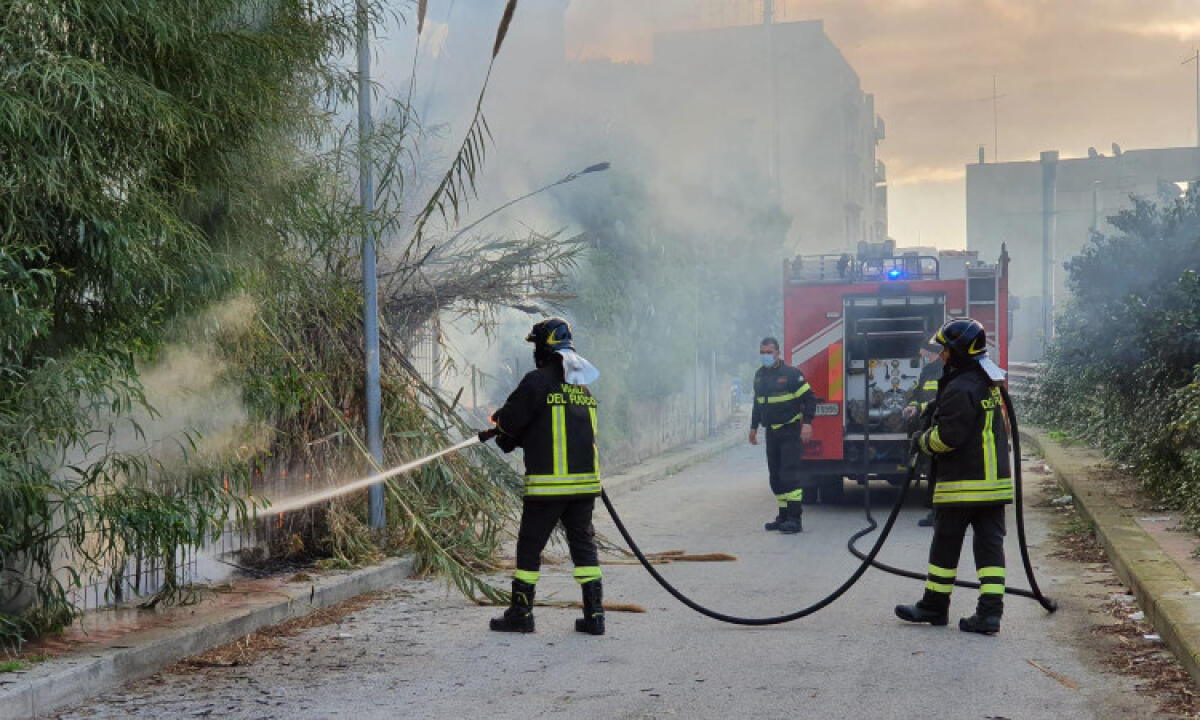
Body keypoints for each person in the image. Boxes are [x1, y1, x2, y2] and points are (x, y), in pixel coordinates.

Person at [479, 318, 605, 635]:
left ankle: (521, 614)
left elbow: (509, 421)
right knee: (584, 548)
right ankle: (595, 616)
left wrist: (500, 427)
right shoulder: (582, 389)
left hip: (548, 488)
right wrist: (511, 437)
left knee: (530, 547)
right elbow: (549, 430)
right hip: (584, 488)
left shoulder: (536, 382)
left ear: (543, 347)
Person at [894, 318, 1013, 635]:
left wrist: (921, 441)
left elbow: (948, 438)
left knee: (945, 547)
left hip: (963, 484)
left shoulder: (961, 387)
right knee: (990, 549)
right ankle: (990, 614)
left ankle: (934, 606)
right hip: (993, 486)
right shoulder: (986, 381)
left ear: (958, 352)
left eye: (946, 349)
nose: (942, 355)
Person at [749, 336, 816, 533]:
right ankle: (783, 515)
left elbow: (809, 399)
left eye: (769, 352)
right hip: (772, 432)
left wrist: (807, 424)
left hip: (790, 431)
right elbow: (758, 403)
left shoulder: (791, 375)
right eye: (762, 352)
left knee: (789, 475)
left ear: (778, 353)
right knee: (775, 477)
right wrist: (753, 427)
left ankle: (795, 519)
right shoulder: (759, 376)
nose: (765, 356)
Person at [903, 342, 944, 527]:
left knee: (936, 471)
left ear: (931, 351)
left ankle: (939, 514)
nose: (919, 352)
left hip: (936, 426)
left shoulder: (940, 371)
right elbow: (920, 393)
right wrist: (912, 404)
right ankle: (935, 512)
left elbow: (935, 399)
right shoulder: (929, 370)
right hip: (928, 425)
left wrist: (918, 407)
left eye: (922, 348)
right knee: (931, 470)